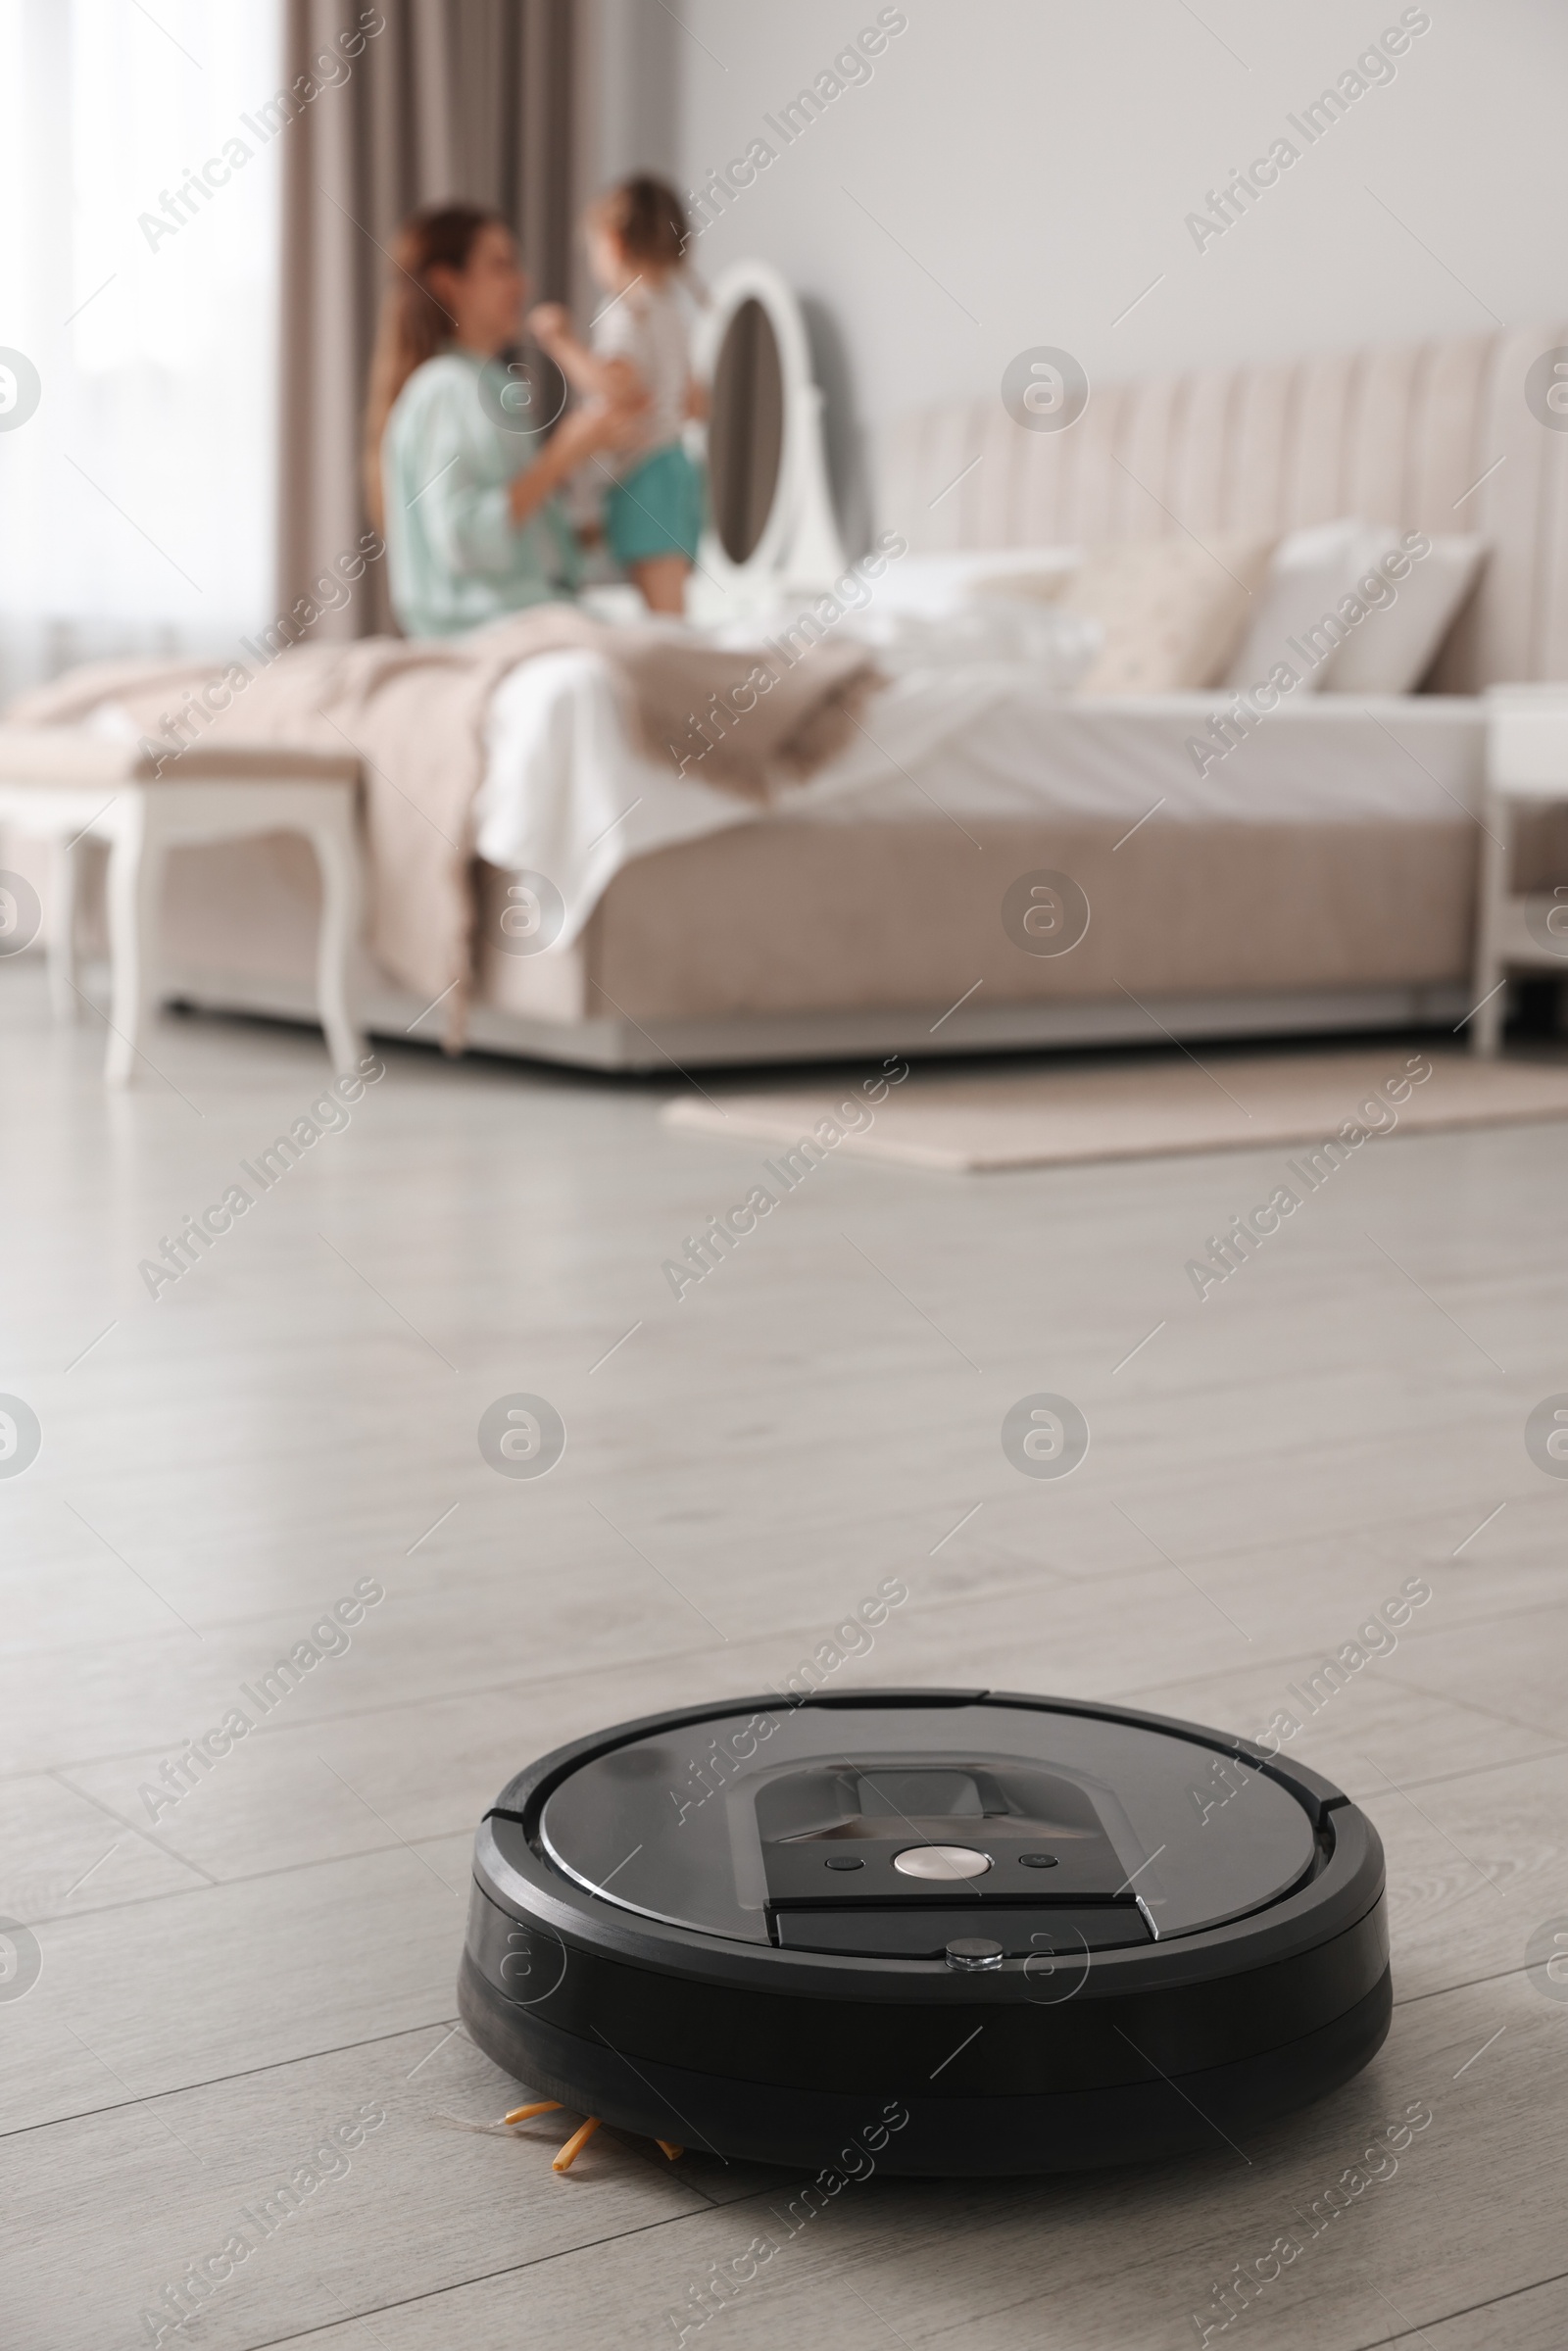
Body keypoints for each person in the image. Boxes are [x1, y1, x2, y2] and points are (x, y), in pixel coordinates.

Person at [365, 203, 645, 638]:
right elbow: (465, 540)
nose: (523, 281)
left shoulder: (489, 385)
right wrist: (562, 456)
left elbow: (531, 544)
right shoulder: (448, 389)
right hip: (489, 629)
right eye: (501, 265)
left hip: (524, 616)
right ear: (448, 284)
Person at [527, 176, 705, 616]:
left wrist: (560, 342)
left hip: (647, 474)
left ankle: (678, 674)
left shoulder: (625, 309)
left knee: (663, 610)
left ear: (613, 242)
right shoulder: (672, 312)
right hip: (675, 469)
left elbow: (616, 384)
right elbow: (696, 401)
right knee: (667, 602)